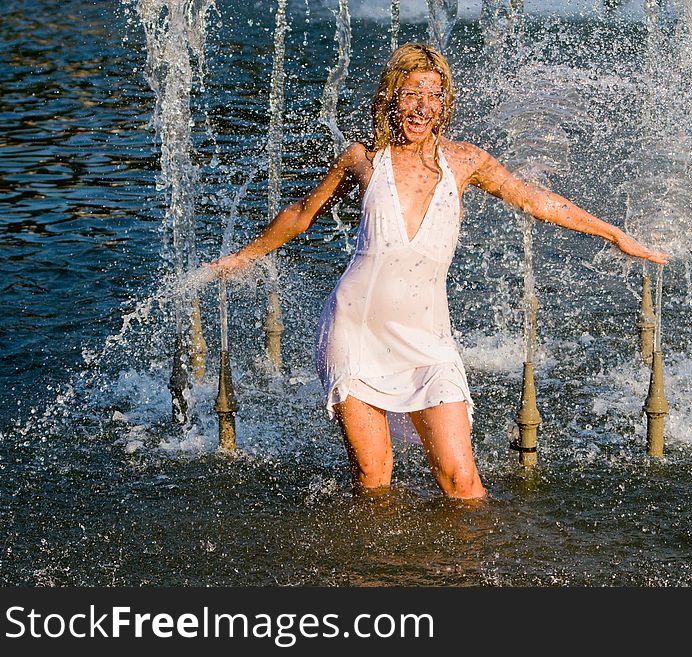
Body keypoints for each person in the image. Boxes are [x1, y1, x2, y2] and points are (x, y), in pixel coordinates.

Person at [210, 43, 668, 500]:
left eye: (434, 96)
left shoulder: (465, 161)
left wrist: (613, 233)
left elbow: (534, 199)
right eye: (412, 93)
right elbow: (302, 212)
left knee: (461, 480)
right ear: (392, 95)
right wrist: (242, 257)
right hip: (356, 329)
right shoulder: (363, 159)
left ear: (444, 104)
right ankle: (374, 567)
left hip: (427, 338)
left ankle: (470, 569)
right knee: (374, 478)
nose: (422, 107)